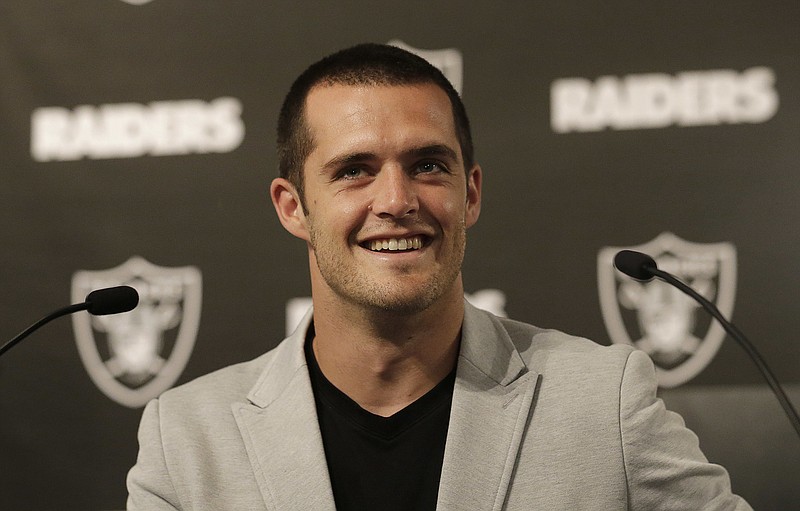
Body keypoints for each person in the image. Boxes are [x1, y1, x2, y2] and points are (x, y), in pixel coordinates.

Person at [127, 43, 751, 510]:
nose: (396, 199)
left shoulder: (605, 401)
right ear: (293, 207)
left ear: (470, 193)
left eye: (428, 164)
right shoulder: (185, 439)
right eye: (354, 170)